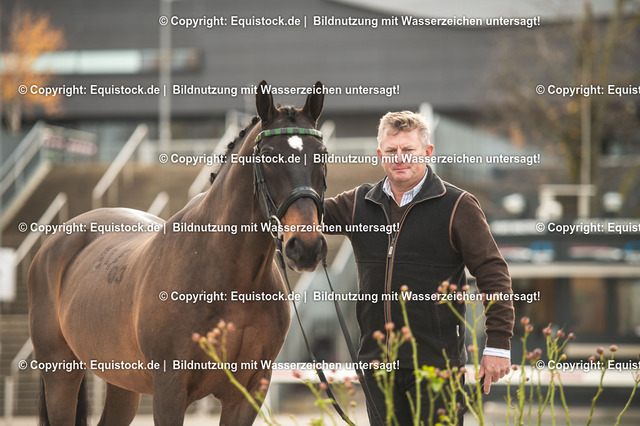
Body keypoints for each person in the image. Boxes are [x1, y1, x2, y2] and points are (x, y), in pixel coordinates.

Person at [323, 111, 514, 425]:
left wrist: (498, 344)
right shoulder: (358, 203)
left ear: (427, 152)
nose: (399, 158)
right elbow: (302, 213)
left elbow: (493, 274)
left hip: (436, 367)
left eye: (408, 150)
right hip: (377, 367)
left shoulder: (458, 205)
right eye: (391, 151)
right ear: (380, 155)